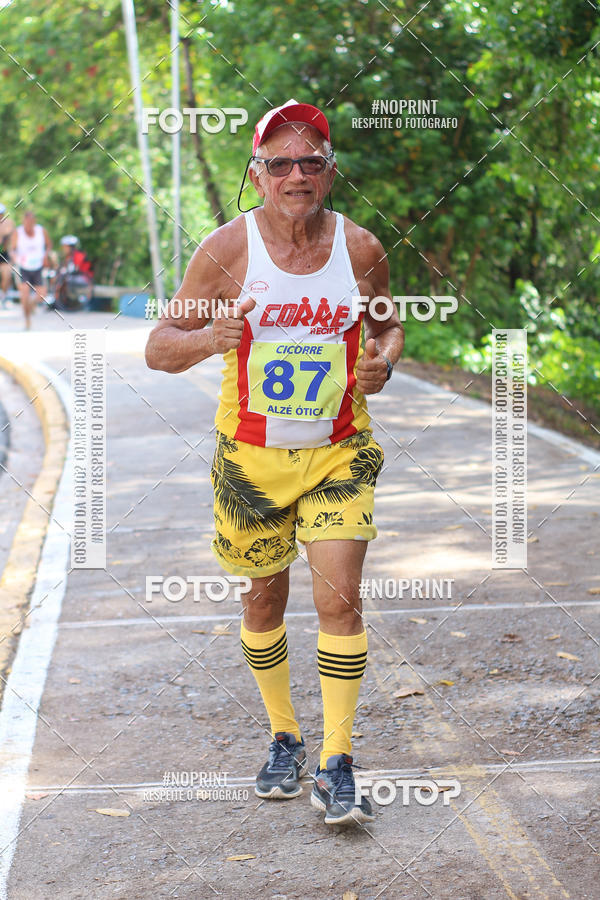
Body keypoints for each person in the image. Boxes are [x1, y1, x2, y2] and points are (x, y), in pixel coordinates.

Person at [146, 99, 404, 827]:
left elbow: (388, 329)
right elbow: (159, 345)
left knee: (339, 599)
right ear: (257, 173)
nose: (297, 174)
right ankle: (286, 737)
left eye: (311, 161)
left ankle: (338, 761)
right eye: (281, 163)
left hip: (339, 452)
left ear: (330, 172)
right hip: (252, 462)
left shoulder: (362, 250)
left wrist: (383, 362)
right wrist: (209, 340)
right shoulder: (226, 252)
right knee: (264, 599)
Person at [9, 210, 52, 329]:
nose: (28, 225)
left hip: (38, 266)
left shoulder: (41, 231)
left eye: (31, 222)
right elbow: (12, 249)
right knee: (24, 294)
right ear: (24, 222)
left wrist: (45, 255)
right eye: (26, 222)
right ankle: (27, 320)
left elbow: (49, 245)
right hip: (24, 267)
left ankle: (32, 305)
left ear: (34, 222)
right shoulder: (18, 232)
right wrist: (14, 257)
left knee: (42, 294)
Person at [52, 235, 94, 309]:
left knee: (62, 278)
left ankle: (57, 299)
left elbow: (76, 269)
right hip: (75, 278)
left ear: (70, 247)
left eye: (65, 247)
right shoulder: (68, 257)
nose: (63, 249)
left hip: (84, 279)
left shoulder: (78, 255)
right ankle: (56, 300)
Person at [0, 203, 15, 308]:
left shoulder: (8, 223)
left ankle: (3, 297)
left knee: (7, 275)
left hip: (4, 253)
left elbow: (8, 237)